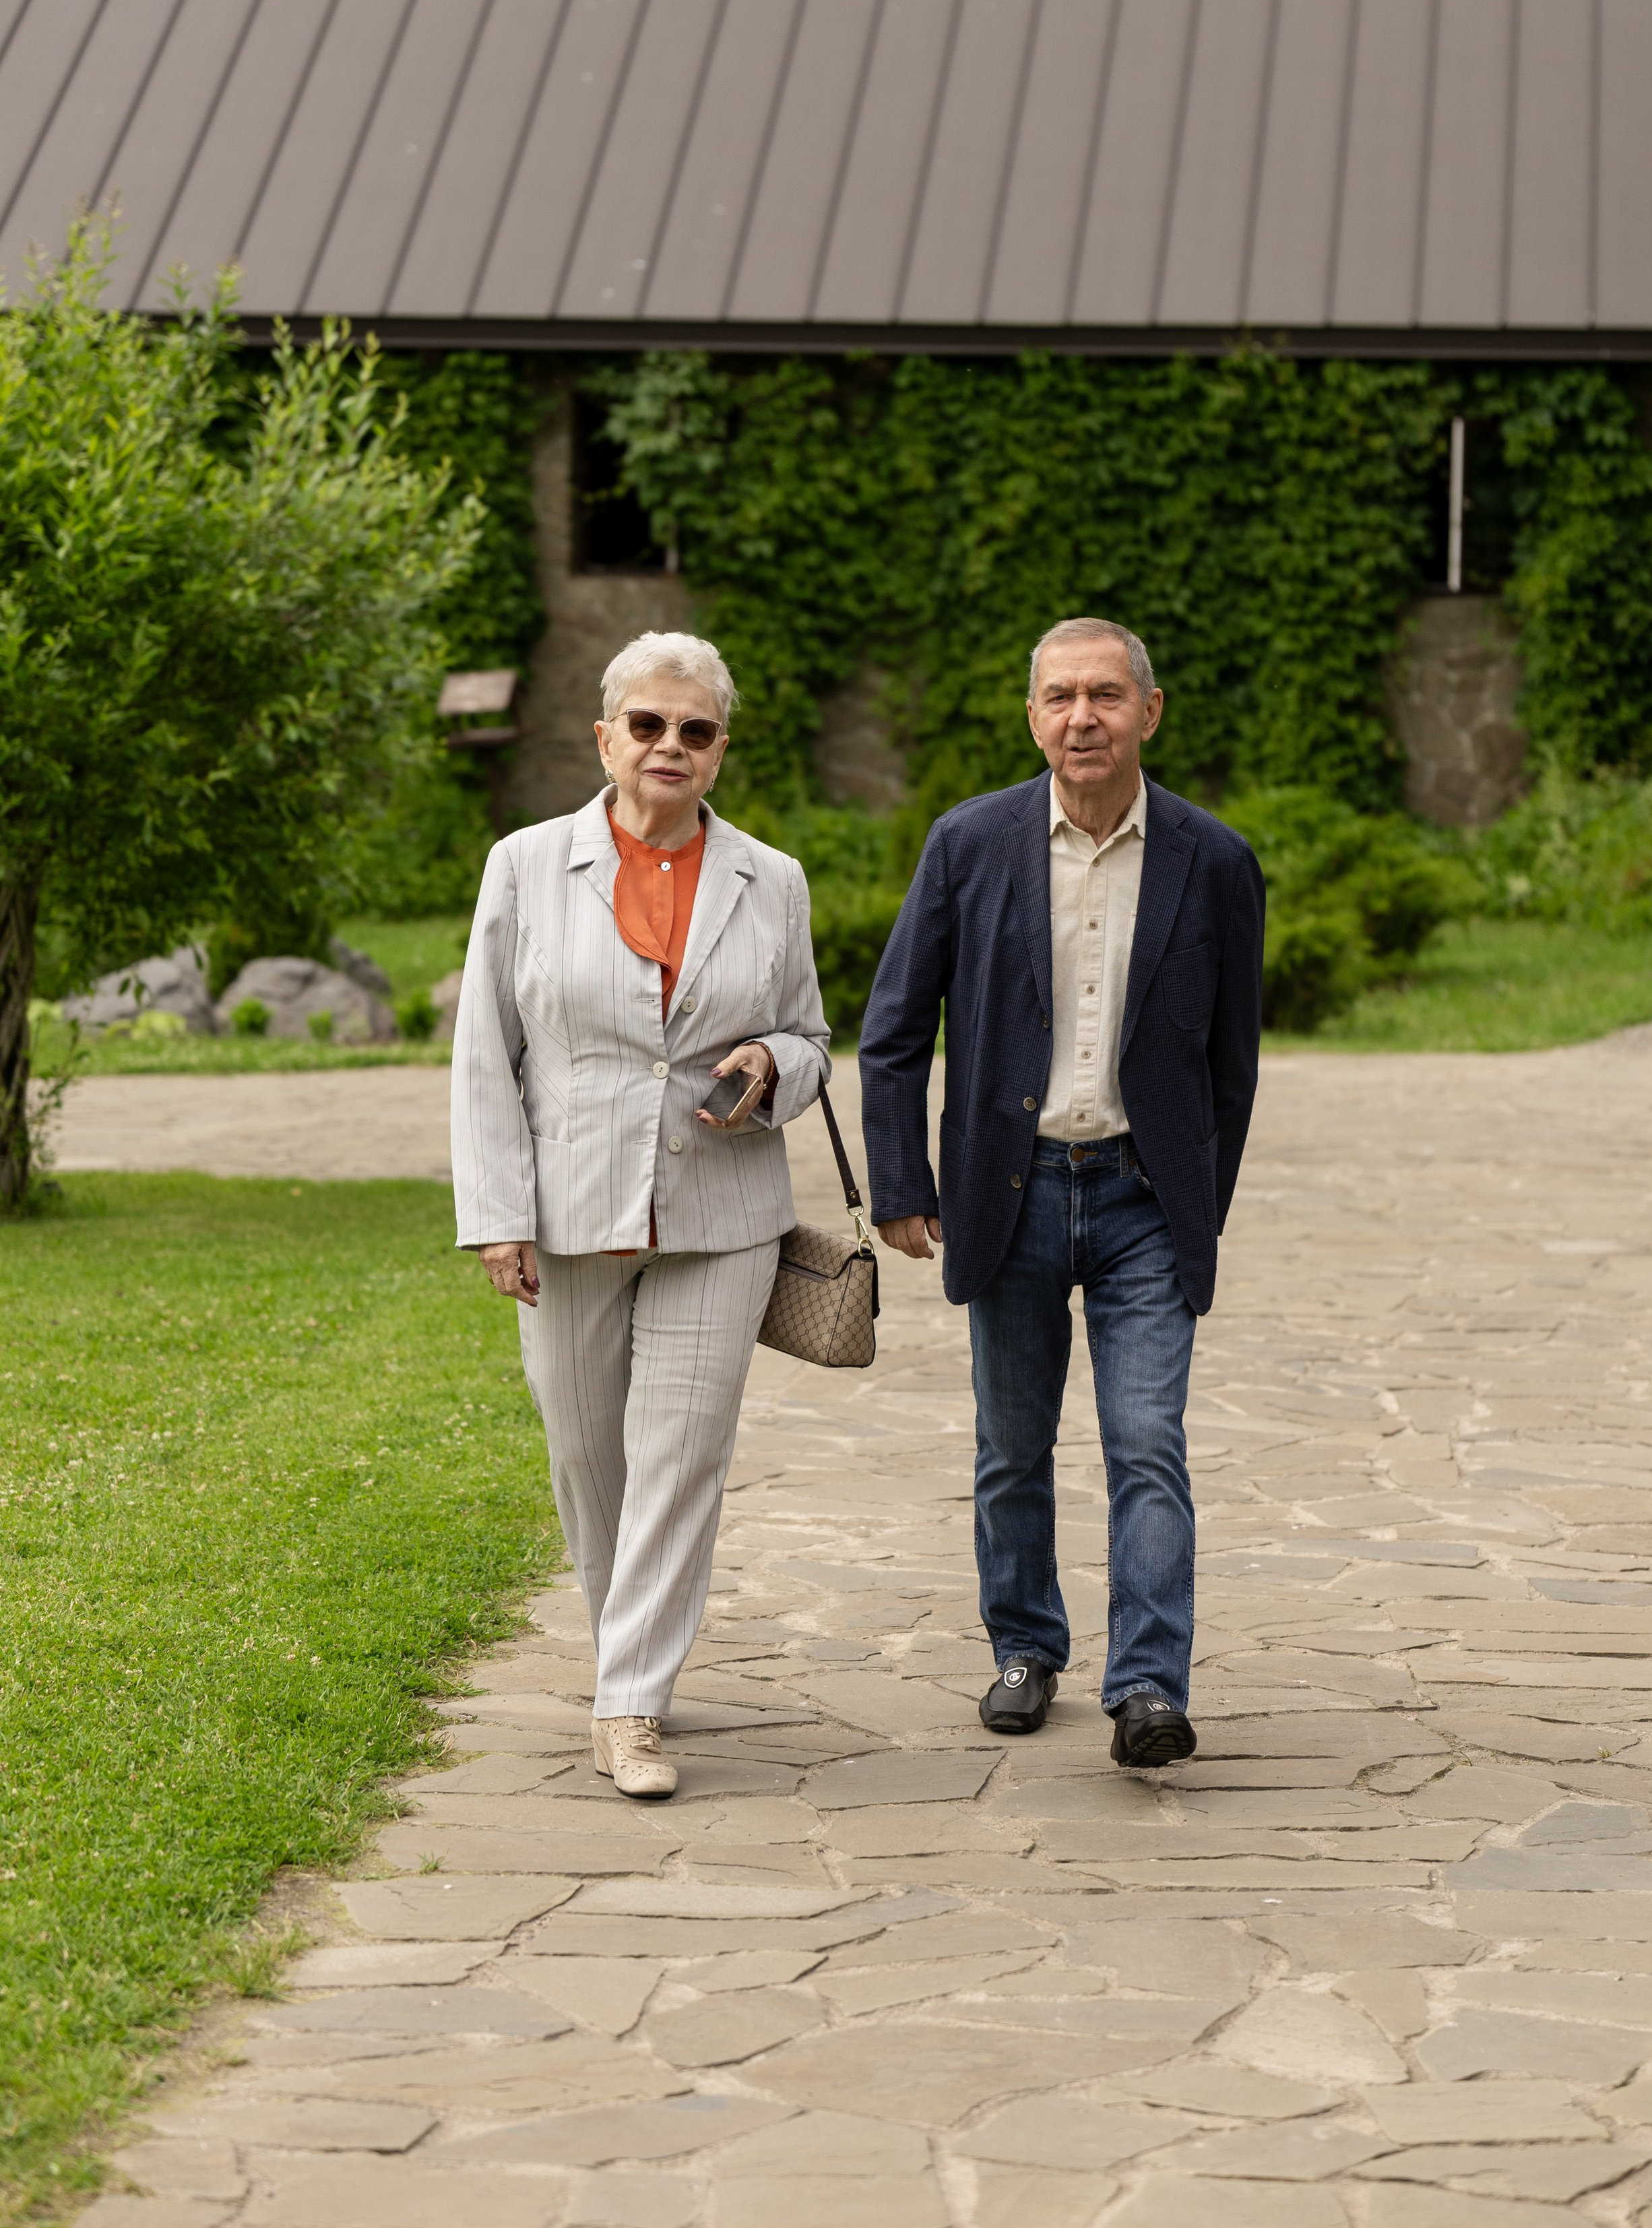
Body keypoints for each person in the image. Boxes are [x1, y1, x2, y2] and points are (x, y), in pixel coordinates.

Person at [859, 617, 1263, 1768]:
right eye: (1057, 697)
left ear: (1149, 708)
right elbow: (892, 1035)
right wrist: (903, 1180)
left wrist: (1201, 1208)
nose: (1080, 717)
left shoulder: (1215, 860)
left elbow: (1233, 1067)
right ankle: (1026, 1648)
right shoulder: (969, 843)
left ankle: (1147, 1683)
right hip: (1012, 1185)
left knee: (1148, 1442)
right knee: (1012, 1444)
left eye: (1102, 695)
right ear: (1031, 714)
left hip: (1143, 1198)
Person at [452, 631, 830, 1799]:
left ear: (721, 749)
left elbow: (816, 1039)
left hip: (722, 1217)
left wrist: (773, 1059)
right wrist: (495, 1213)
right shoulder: (523, 864)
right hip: (566, 1212)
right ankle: (634, 1645)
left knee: (681, 1455)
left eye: (697, 730)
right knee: (586, 1456)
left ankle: (631, 1702)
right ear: (607, 736)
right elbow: (485, 1053)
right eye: (651, 725)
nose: (673, 746)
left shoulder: (773, 879)